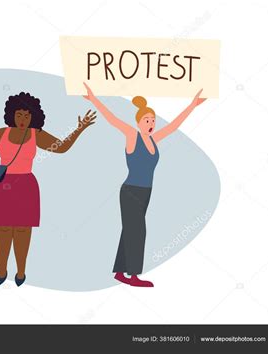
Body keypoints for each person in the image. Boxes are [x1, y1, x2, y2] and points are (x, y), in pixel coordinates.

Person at [83, 83, 206, 287]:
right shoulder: (133, 136)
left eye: (153, 120)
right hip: (131, 191)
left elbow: (174, 125)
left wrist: (193, 104)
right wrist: (94, 99)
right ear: (139, 122)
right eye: (147, 120)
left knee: (129, 230)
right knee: (137, 231)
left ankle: (120, 272)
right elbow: (113, 120)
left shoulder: (154, 140)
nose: (151, 123)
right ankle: (132, 275)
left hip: (146, 192)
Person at [0, 92, 96, 286]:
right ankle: (2, 268)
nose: (23, 119)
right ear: (12, 114)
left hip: (26, 187)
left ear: (34, 116)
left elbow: (60, 147)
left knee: (22, 230)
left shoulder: (36, 134)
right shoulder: (1, 133)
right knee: (2, 229)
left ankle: (21, 271)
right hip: (3, 185)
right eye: (19, 114)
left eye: (27, 115)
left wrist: (80, 129)